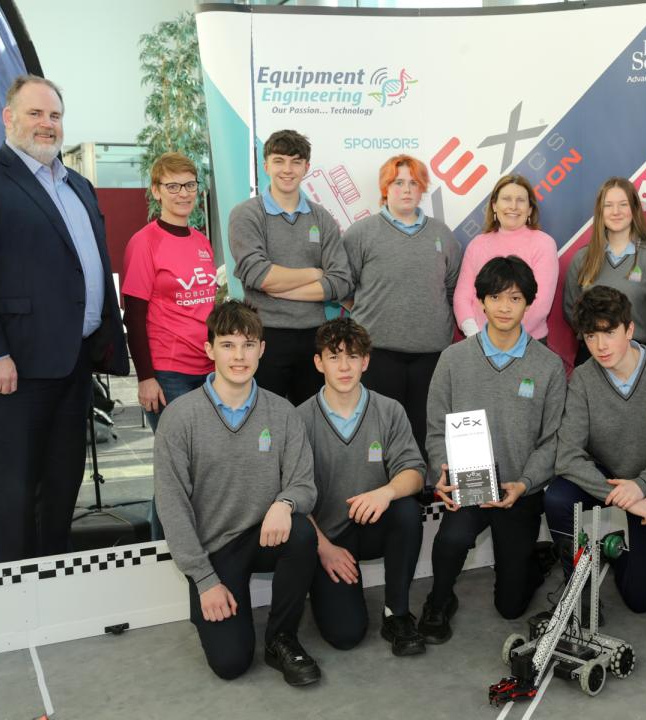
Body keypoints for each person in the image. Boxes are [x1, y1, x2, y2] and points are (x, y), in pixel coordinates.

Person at [0, 75, 128, 563]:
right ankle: (11, 602)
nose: (47, 125)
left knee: (59, 486)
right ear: (8, 118)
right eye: (35, 113)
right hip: (8, 372)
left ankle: (52, 587)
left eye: (54, 116)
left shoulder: (79, 185)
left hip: (72, 363)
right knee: (10, 495)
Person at [154, 300, 321, 684]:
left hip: (265, 535)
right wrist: (204, 580)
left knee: (301, 532)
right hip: (215, 551)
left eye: (248, 345)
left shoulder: (282, 413)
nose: (239, 356)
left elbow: (304, 484)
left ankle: (282, 637)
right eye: (228, 345)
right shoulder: (180, 418)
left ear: (262, 349)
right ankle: (226, 605)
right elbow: (173, 507)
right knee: (231, 664)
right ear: (209, 349)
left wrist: (285, 502)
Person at [420, 256, 566, 643]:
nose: (504, 307)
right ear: (481, 302)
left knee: (511, 608)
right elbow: (436, 427)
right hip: (469, 486)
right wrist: (443, 470)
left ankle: (534, 559)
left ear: (528, 304)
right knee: (451, 539)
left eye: (515, 298)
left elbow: (553, 439)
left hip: (519, 491)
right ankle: (438, 600)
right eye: (496, 297)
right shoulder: (453, 359)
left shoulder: (549, 366)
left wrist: (525, 483)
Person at [547, 286, 646, 614]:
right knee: (556, 497)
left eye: (609, 333)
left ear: (630, 329)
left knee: (638, 600)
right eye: (591, 336)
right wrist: (622, 497)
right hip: (606, 485)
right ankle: (578, 582)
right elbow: (568, 455)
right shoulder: (582, 379)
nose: (600, 346)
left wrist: (641, 487)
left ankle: (611, 546)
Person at [298, 319, 427, 656]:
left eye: (353, 357)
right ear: (318, 362)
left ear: (365, 362)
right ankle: (323, 586)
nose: (344, 366)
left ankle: (396, 613)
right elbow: (292, 497)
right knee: (345, 636)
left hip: (373, 525)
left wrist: (385, 492)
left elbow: (414, 472)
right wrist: (323, 547)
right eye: (334, 356)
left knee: (407, 510)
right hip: (328, 538)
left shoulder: (389, 410)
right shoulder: (299, 420)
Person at [122, 152, 216, 540]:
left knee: (203, 467)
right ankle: (163, 552)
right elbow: (134, 315)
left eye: (189, 185)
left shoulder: (201, 241)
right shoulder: (144, 243)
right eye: (173, 186)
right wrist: (146, 377)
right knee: (177, 468)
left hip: (210, 371)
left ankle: (194, 546)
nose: (182, 194)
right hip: (168, 372)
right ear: (156, 191)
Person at [343, 155, 461, 453]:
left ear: (422, 189)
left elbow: (451, 288)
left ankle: (422, 491)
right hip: (377, 352)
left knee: (425, 431)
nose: (406, 190)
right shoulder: (361, 233)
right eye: (398, 183)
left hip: (432, 353)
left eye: (413, 183)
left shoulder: (441, 234)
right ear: (385, 188)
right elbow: (344, 287)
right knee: (379, 432)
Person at [229, 129, 352, 405]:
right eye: (279, 160)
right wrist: (314, 273)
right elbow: (259, 275)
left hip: (315, 338)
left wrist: (280, 288)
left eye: (296, 161)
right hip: (264, 337)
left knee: (312, 423)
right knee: (264, 421)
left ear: (306, 167)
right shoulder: (246, 214)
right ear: (266, 165)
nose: (287, 169)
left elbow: (341, 281)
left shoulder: (322, 218)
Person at [563, 177, 646, 366]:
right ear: (600, 211)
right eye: (608, 205)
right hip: (594, 358)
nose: (616, 212)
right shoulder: (583, 259)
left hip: (644, 358)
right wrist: (598, 340)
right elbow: (572, 309)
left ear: (634, 209)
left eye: (623, 204)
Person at [452, 175, 559, 342]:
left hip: (528, 343)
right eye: (506, 199)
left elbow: (540, 304)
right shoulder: (477, 245)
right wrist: (477, 337)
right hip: (479, 342)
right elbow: (462, 297)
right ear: (494, 206)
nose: (513, 206)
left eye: (521, 200)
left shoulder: (544, 244)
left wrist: (503, 340)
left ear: (530, 209)